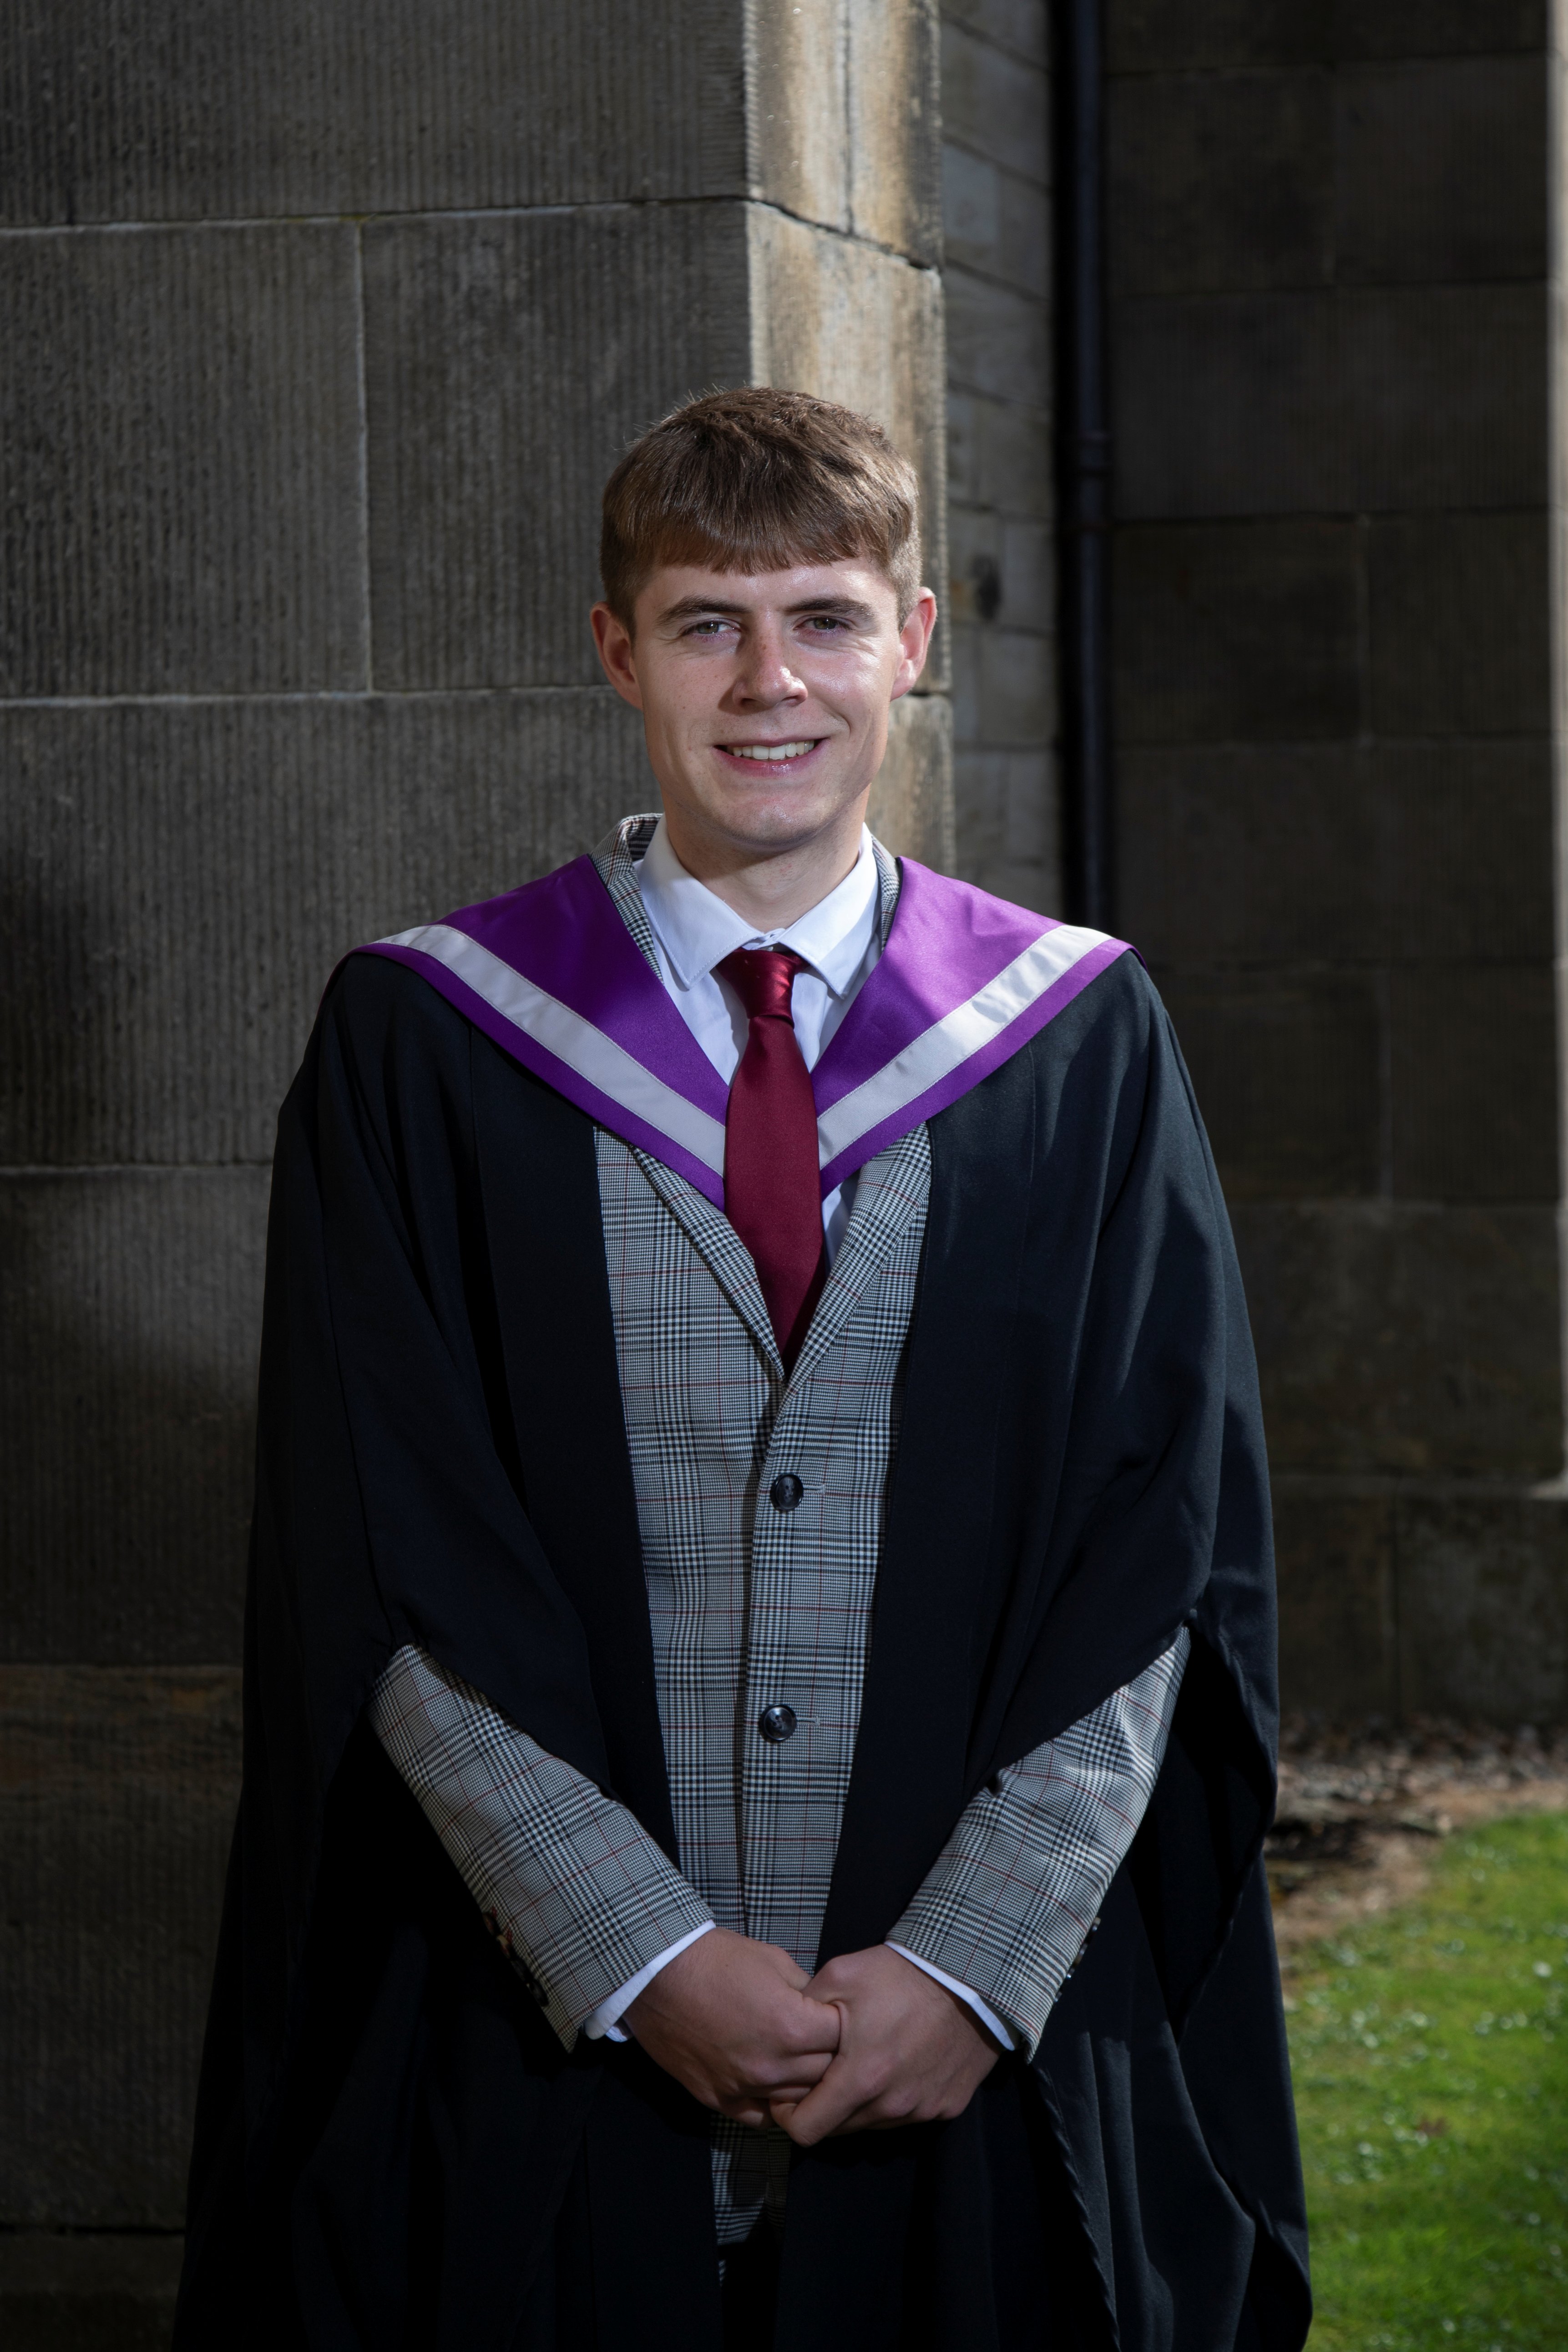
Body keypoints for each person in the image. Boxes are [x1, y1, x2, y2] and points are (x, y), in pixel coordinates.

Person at [175, 388, 1310, 2351]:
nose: (768, 681)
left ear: (914, 643)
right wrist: (637, 1955)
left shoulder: (1081, 1043)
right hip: (545, 2065)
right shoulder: (425, 1046)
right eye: (707, 622)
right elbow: (381, 1546)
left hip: (972, 2064)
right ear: (617, 652)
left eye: (822, 619)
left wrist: (968, 1967)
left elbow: (1163, 1546)